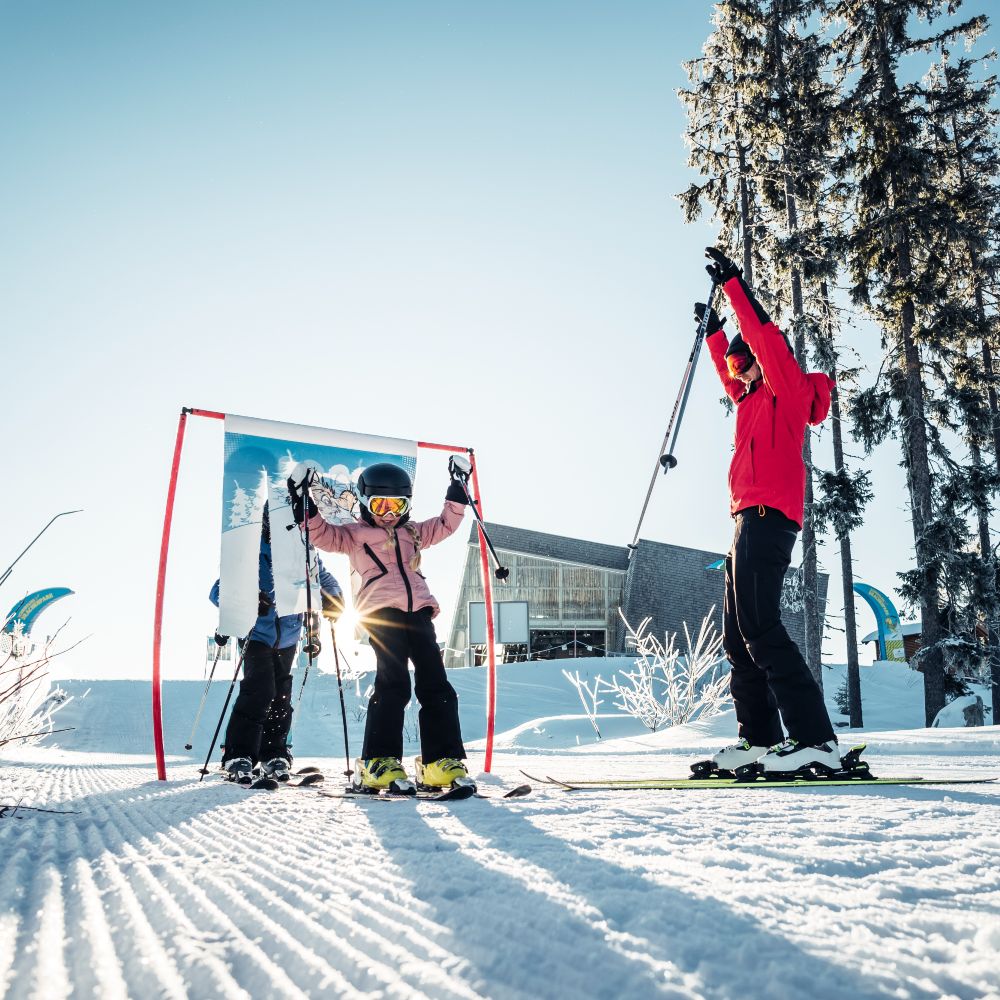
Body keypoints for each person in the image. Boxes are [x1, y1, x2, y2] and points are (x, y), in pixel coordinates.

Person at [696, 245, 841, 777]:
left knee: (761, 626)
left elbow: (767, 341)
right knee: (738, 634)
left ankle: (816, 739)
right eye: (735, 364)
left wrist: (736, 288)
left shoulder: (787, 390)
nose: (739, 371)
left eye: (743, 360)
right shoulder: (752, 396)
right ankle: (758, 739)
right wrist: (714, 333)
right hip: (743, 521)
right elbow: (728, 375)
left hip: (769, 517)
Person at [288, 457, 471, 792]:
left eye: (397, 505)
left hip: (418, 612)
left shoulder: (413, 532)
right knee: (394, 682)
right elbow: (324, 537)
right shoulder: (355, 535)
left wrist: (457, 487)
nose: (389, 513)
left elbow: (446, 524)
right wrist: (305, 507)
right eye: (380, 505)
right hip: (380, 613)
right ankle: (378, 760)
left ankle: (439, 761)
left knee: (437, 684)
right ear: (364, 503)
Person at [211, 502, 344, 784]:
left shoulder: (303, 551)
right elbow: (219, 590)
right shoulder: (250, 551)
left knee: (281, 693)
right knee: (259, 689)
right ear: (266, 523)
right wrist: (247, 599)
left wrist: (334, 599)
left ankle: (274, 753)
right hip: (256, 633)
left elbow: (324, 579)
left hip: (289, 634)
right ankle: (239, 754)